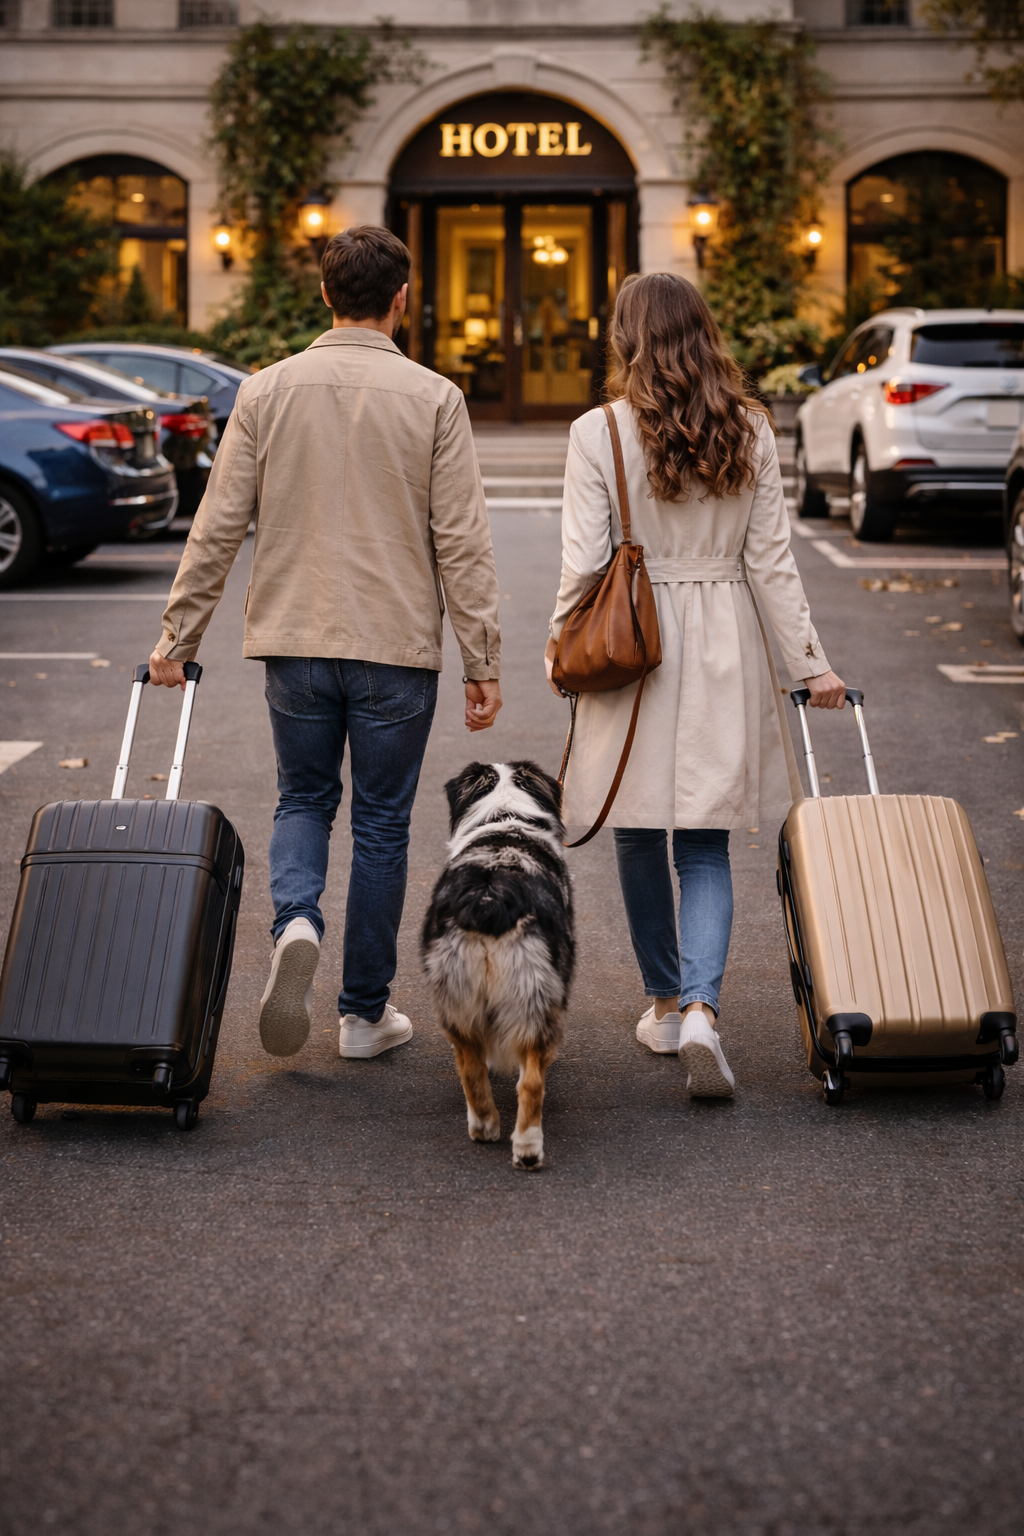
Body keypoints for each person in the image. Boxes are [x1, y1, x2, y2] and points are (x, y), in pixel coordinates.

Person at [150, 225, 502, 1062]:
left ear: (324, 295)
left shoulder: (266, 392)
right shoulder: (434, 397)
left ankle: (297, 919)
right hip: (396, 647)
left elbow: (217, 526)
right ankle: (361, 1014)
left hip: (295, 639)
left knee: (303, 799)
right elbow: (463, 541)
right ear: (403, 300)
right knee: (382, 826)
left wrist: (177, 636)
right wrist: (482, 660)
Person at [544, 272, 844, 1097]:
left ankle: (669, 1003)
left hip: (628, 643)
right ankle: (708, 1011)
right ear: (705, 334)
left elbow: (584, 563)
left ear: (625, 338)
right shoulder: (750, 428)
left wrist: (557, 648)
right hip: (723, 641)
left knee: (638, 828)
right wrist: (811, 664)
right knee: (705, 841)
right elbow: (772, 563)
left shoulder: (597, 433)